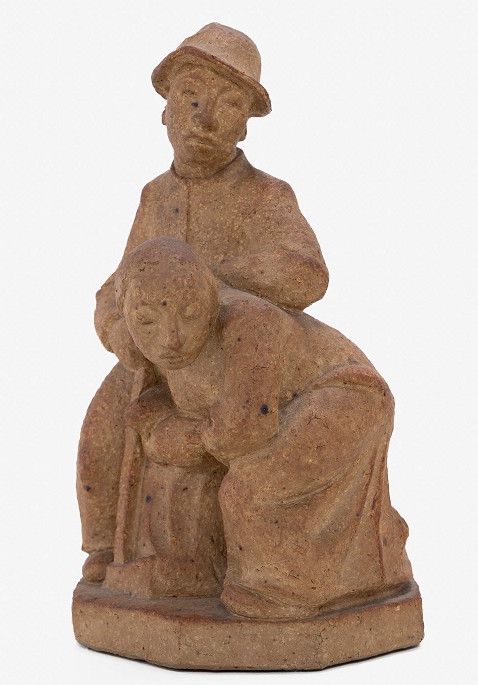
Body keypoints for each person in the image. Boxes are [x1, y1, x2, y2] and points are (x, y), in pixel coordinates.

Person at [78, 23, 329, 582]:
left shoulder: (267, 194)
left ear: (246, 123)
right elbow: (117, 285)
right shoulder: (155, 196)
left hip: (239, 356)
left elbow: (308, 275)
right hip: (162, 355)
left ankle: (208, 565)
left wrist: (212, 281)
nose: (205, 119)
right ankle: (103, 547)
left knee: (229, 439)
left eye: (228, 104)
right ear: (165, 111)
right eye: (190, 99)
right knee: (104, 424)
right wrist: (120, 330)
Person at [114, 237, 414, 620]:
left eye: (190, 314)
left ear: (211, 294)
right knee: (190, 480)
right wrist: (157, 419)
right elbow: (179, 408)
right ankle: (202, 571)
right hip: (281, 413)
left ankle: (285, 591)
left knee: (253, 486)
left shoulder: (250, 322)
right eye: (146, 322)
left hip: (346, 394)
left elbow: (245, 430)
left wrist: (175, 436)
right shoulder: (157, 351)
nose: (172, 338)